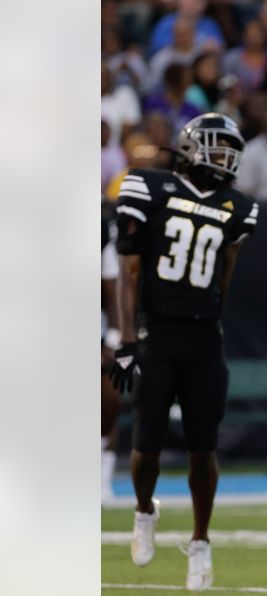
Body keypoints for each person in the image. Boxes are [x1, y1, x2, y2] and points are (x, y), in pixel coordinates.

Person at [109, 113, 260, 591]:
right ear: (192, 148)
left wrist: (213, 318)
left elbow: (227, 271)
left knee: (203, 448)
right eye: (217, 149)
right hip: (158, 332)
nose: (224, 159)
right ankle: (144, 510)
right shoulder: (147, 188)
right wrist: (129, 340)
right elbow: (130, 271)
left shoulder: (237, 206)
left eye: (229, 151)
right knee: (145, 446)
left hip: (202, 337)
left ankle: (200, 541)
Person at [102, 201, 123, 501]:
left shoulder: (101, 233)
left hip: (96, 335)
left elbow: (113, 287)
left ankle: (103, 478)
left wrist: (114, 339)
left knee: (111, 402)